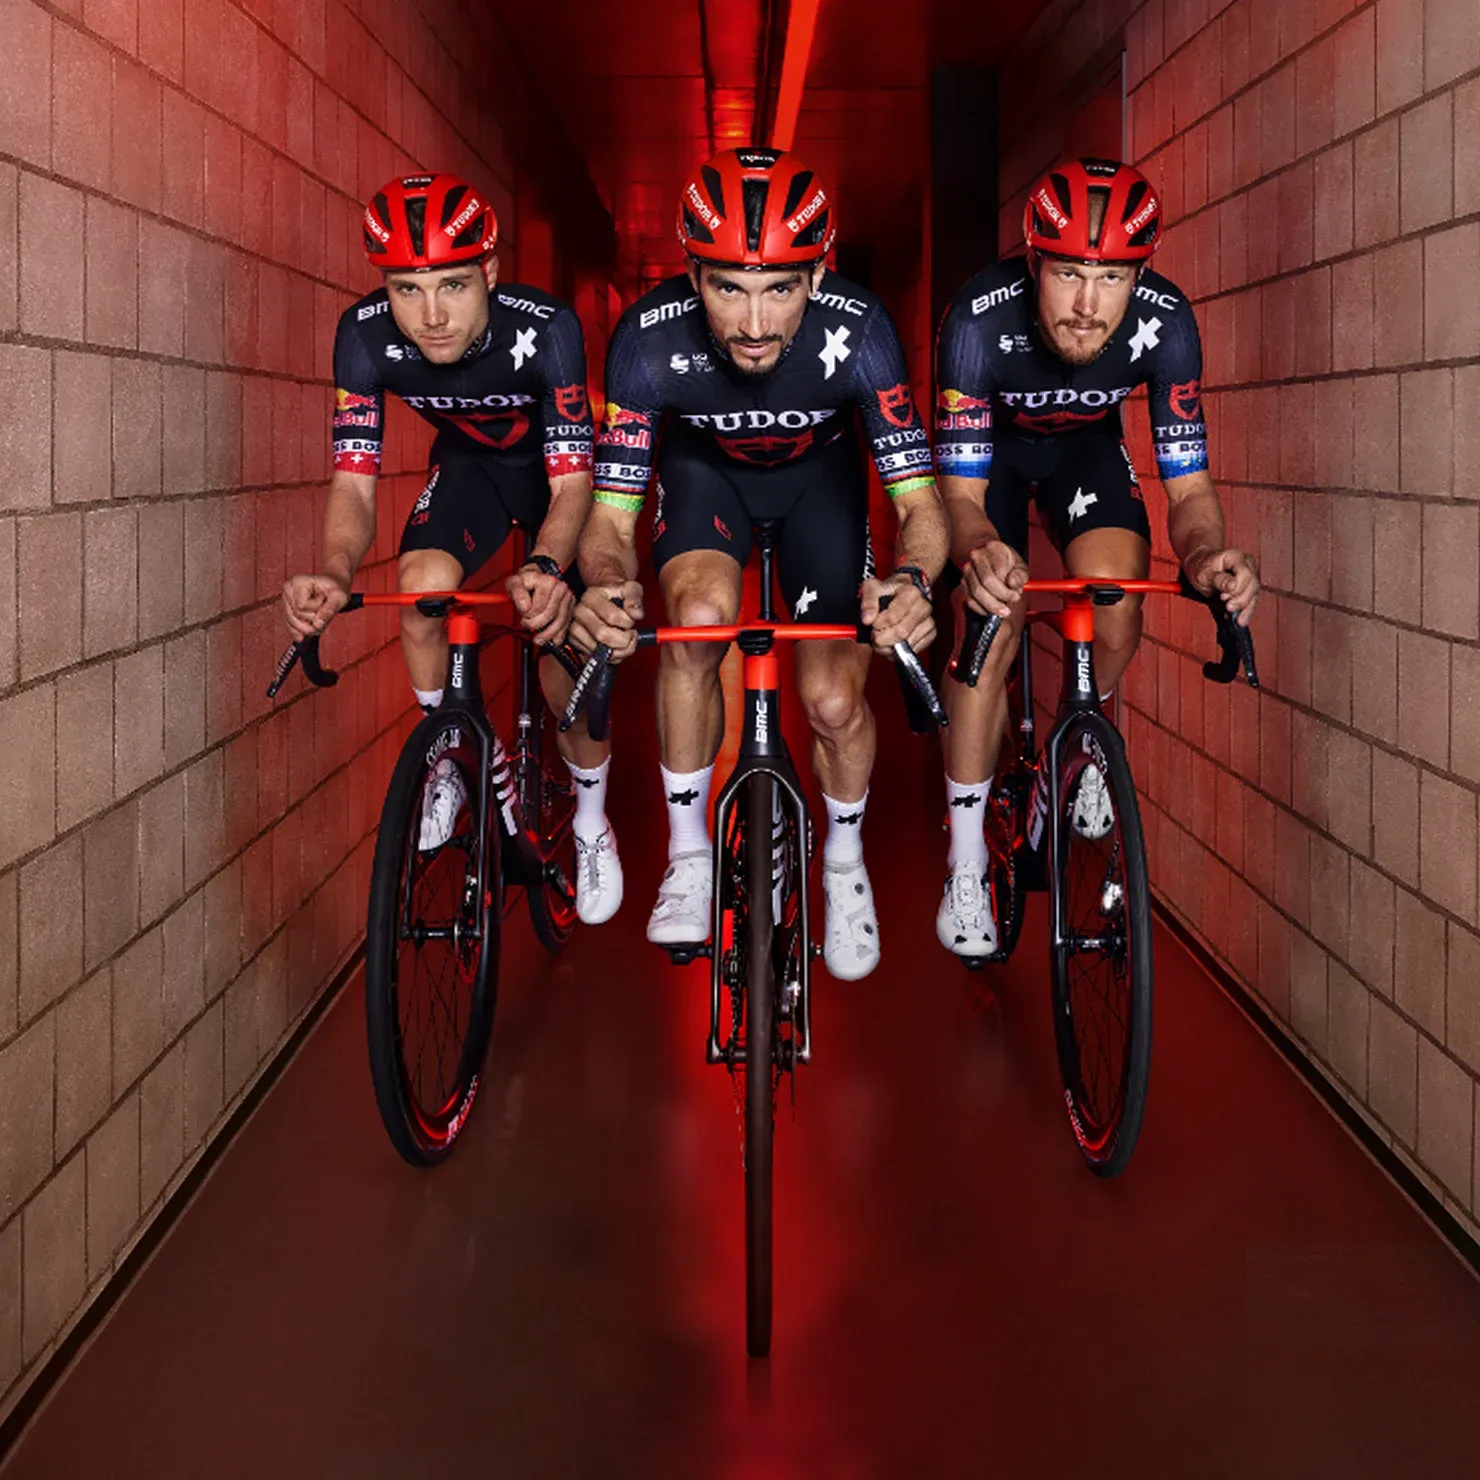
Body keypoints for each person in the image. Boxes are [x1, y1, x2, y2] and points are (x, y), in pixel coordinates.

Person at [569, 147, 949, 980]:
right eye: (727, 289)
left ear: (817, 274)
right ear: (692, 275)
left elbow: (920, 505)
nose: (752, 323)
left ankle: (843, 865)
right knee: (698, 621)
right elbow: (609, 518)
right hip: (706, 481)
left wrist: (913, 580)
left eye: (779, 290)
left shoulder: (863, 330)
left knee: (833, 698)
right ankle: (688, 856)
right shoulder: (647, 339)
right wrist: (606, 585)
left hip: (821, 487)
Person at [934, 157, 1260, 958]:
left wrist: (1207, 557)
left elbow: (1189, 490)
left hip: (1084, 450)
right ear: (1033, 263)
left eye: (1111, 277)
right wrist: (980, 557)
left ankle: (1075, 756)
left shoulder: (1167, 322)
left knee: (1117, 604)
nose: (1087, 305)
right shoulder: (977, 318)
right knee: (988, 628)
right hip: (988, 465)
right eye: (1069, 274)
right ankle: (966, 860)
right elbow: (961, 500)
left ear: (1140, 275)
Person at [281, 173, 622, 923]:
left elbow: (572, 486)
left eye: (453, 286)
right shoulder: (363, 335)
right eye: (407, 289)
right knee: (423, 585)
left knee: (561, 661)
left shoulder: (549, 328)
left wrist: (545, 567)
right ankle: (451, 753)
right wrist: (334, 571)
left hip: (558, 478)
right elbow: (354, 484)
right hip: (472, 468)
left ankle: (592, 822)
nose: (430, 316)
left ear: (489, 273)